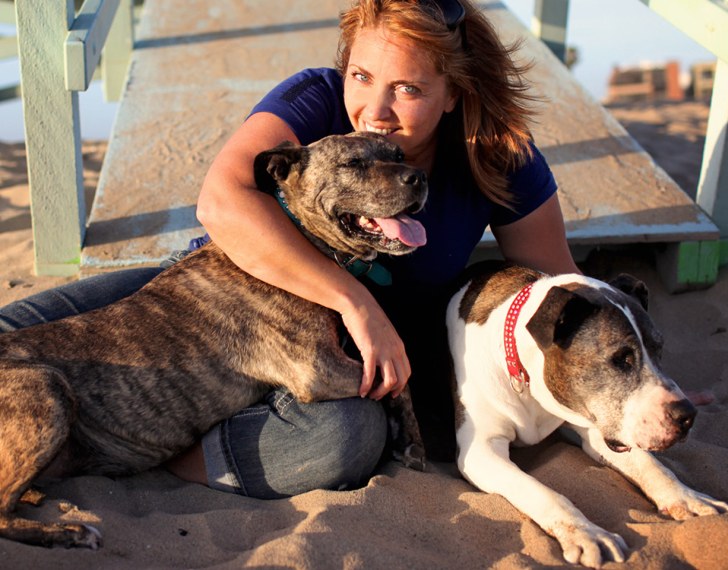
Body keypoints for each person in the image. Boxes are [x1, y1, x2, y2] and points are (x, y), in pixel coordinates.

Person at [0, 0, 578, 498]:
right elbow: (220, 203)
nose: (374, 111)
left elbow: (567, 293)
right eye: (360, 76)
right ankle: (146, 423)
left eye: (407, 89)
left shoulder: (496, 156)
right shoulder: (313, 99)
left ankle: (162, 446)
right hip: (204, 295)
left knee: (348, 440)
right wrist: (360, 303)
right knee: (18, 335)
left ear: (454, 92)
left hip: (319, 356)